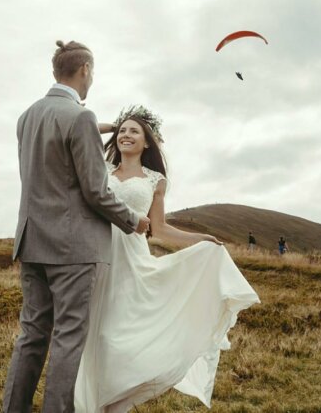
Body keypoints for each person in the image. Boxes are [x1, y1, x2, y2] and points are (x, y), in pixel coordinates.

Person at [74, 105, 260, 413]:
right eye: (122, 131)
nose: (126, 135)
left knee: (121, 339)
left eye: (134, 131)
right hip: (97, 257)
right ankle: (95, 403)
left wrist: (199, 239)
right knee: (99, 337)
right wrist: (112, 124)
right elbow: (80, 130)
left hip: (132, 264)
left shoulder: (155, 180)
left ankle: (114, 404)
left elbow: (159, 228)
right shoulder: (101, 169)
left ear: (148, 142)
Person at [3, 40, 151, 413]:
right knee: (69, 338)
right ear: (85, 70)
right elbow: (96, 192)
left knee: (32, 335)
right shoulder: (80, 118)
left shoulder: (28, 116)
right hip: (73, 249)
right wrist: (134, 221)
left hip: (32, 240)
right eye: (93, 72)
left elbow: (57, 152)